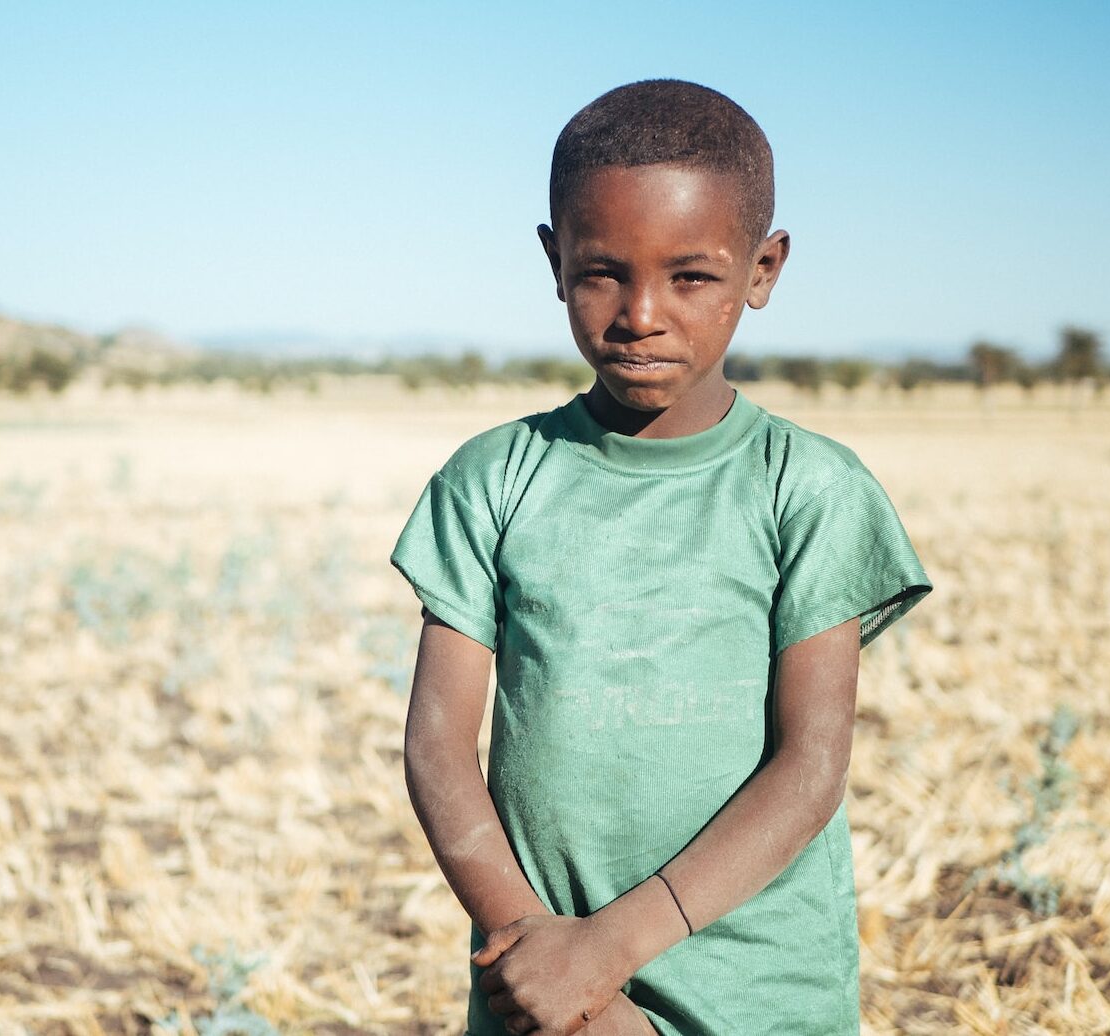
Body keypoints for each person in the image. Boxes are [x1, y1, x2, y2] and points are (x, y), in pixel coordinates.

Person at [389, 79, 933, 1036]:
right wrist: (544, 954)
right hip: (545, 989)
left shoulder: (806, 488)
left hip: (762, 991)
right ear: (554, 261)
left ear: (763, 270)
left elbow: (810, 767)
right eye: (603, 271)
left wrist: (611, 950)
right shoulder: (494, 481)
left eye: (692, 276)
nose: (642, 312)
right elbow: (438, 747)